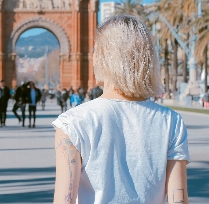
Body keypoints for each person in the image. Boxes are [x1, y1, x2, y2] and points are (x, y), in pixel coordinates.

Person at [52, 15, 190, 204]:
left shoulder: (71, 123)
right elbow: (179, 200)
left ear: (102, 58)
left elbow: (64, 201)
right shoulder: (171, 121)